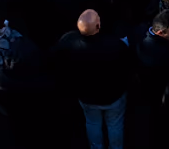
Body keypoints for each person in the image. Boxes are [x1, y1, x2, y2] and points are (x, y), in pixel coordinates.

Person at [51, 10, 132, 149]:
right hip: (113, 96)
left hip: (87, 96)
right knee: (115, 125)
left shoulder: (68, 42)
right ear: (98, 26)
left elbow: (58, 63)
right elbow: (127, 67)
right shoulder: (116, 45)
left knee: (92, 123)